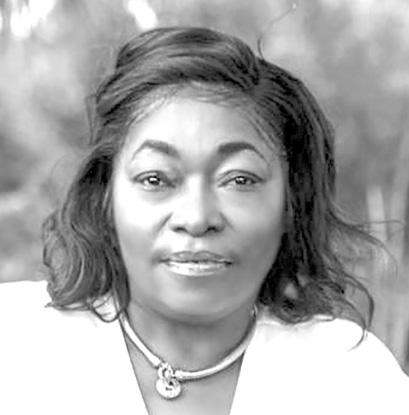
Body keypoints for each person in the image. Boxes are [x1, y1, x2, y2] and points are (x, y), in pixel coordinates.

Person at [0, 26, 408, 415]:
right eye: (156, 179)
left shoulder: (353, 381)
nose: (196, 218)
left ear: (291, 203)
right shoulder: (14, 345)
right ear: (106, 197)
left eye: (239, 180)